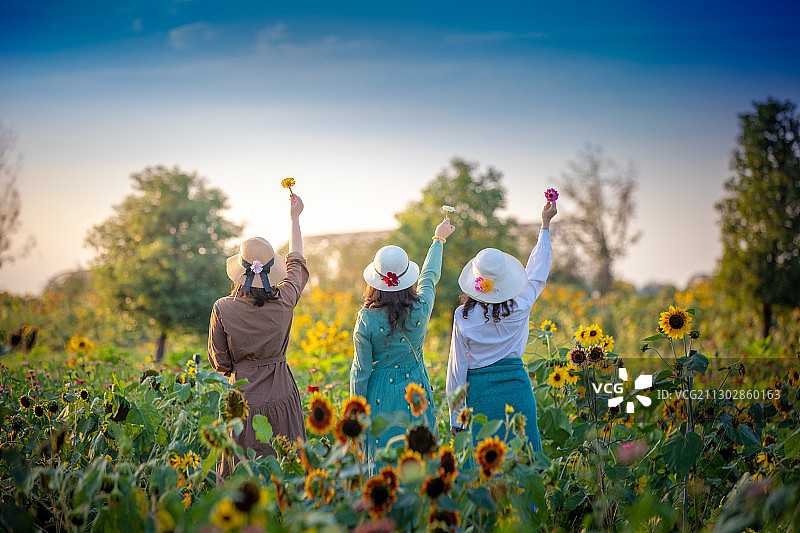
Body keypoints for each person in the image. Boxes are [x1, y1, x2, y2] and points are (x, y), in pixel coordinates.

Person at [208, 194, 308, 478]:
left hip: (241, 401)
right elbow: (297, 261)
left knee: (241, 475)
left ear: (239, 271)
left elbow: (220, 363)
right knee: (286, 471)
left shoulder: (222, 308)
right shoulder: (285, 299)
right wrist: (295, 217)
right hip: (282, 393)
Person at [446, 199, 558, 451]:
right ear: (506, 279)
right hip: (517, 391)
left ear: (475, 280)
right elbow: (537, 274)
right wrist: (545, 225)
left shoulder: (462, 316)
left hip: (479, 395)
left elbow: (457, 367)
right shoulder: (521, 306)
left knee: (484, 468)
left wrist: (456, 416)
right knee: (525, 462)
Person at [350, 217, 456, 466]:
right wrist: (438, 240)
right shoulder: (421, 307)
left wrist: (357, 420)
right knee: (421, 457)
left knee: (384, 461)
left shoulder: (366, 318)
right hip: (415, 390)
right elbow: (429, 276)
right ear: (407, 277)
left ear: (374, 282)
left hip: (379, 394)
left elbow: (360, 372)